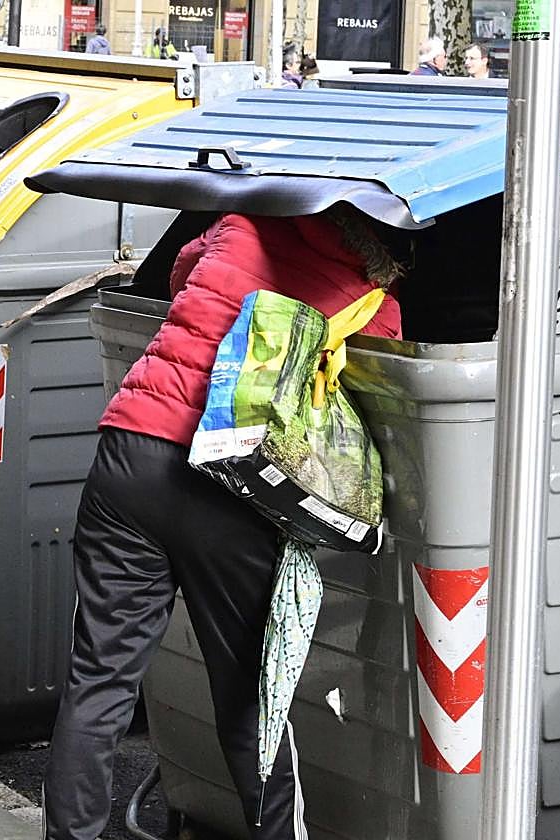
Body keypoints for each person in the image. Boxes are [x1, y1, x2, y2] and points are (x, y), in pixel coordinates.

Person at [41, 210, 403, 840]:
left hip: (132, 453)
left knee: (99, 678)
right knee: (252, 701)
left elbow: (181, 273)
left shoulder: (241, 225)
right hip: (231, 486)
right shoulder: (375, 303)